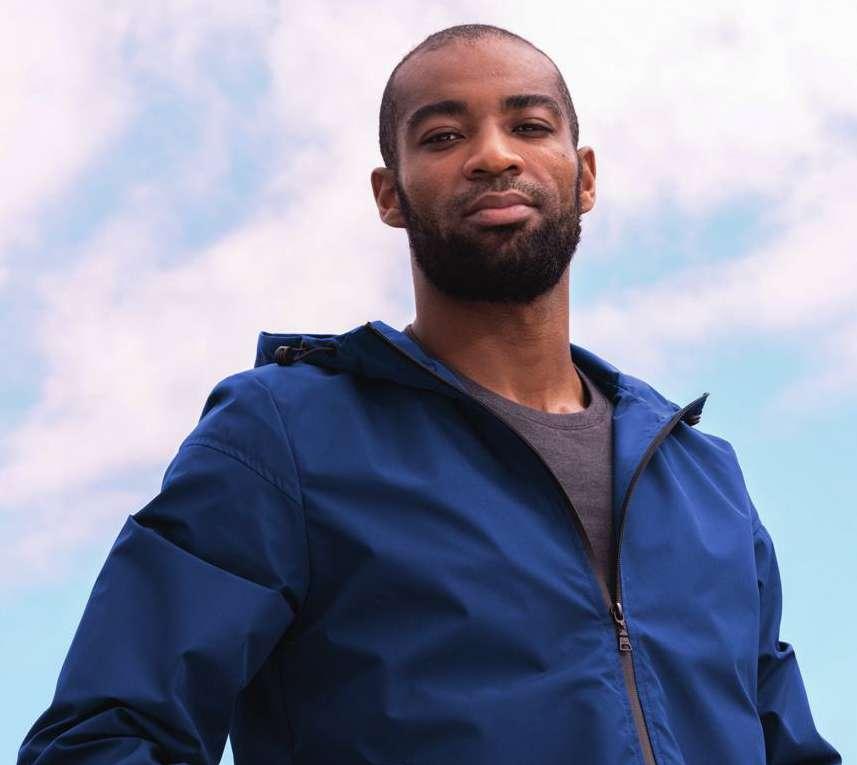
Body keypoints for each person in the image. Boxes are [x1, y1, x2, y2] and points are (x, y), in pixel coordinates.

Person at [18, 23, 840, 765]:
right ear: (390, 194)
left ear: (584, 176)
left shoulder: (702, 477)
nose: (493, 155)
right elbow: (104, 735)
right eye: (443, 135)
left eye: (529, 126)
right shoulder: (283, 436)